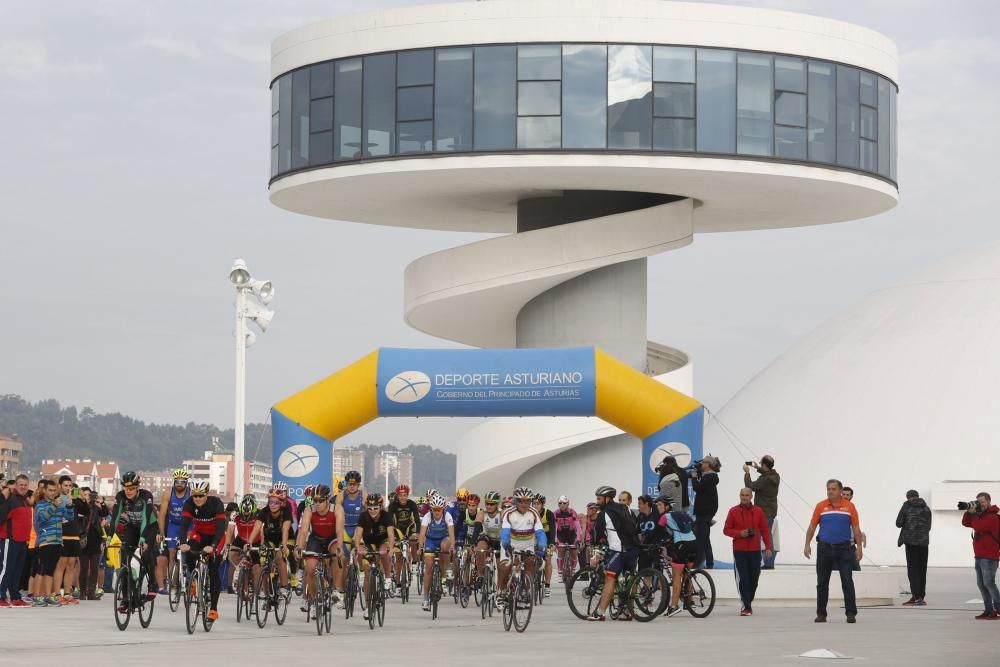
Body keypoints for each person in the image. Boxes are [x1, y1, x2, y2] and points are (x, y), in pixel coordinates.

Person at [804, 479, 863, 623]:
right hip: (825, 549)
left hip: (844, 549)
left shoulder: (849, 507)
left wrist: (859, 547)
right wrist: (807, 544)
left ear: (840, 491)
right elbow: (812, 526)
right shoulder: (821, 506)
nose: (830, 491)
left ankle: (850, 613)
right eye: (828, 489)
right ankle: (821, 614)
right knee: (822, 582)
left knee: (847, 581)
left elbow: (856, 528)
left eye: (833, 489)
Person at [110, 472, 159, 613]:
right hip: (132, 526)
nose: (128, 491)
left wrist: (143, 538)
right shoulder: (120, 496)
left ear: (138, 486)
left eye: (131, 488)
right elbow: (115, 517)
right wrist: (109, 537)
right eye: (126, 488)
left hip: (148, 526)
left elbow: (145, 518)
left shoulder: (146, 496)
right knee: (126, 561)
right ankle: (126, 600)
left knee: (146, 550)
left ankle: (152, 584)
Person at [587, 485, 638, 621]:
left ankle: (600, 613)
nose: (597, 501)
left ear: (607, 498)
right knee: (629, 579)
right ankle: (626, 611)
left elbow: (597, 534)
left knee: (610, 579)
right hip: (633, 549)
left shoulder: (604, 514)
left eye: (599, 499)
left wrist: (595, 549)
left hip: (619, 551)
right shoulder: (625, 508)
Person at [177, 480, 226, 621]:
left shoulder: (216, 503)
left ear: (206, 494)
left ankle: (214, 609)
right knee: (189, 551)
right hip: (199, 534)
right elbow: (184, 525)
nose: (197, 499)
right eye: (195, 496)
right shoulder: (189, 504)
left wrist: (214, 545)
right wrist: (182, 543)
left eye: (200, 496)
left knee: (212, 568)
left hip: (216, 537)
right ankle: (194, 580)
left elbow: (221, 527)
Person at [723, 488, 773, 616]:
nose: (744, 497)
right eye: (742, 495)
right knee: (744, 579)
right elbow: (726, 530)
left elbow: (765, 529)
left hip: (755, 550)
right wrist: (740, 533)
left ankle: (747, 602)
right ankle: (746, 606)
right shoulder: (733, 511)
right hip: (739, 551)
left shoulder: (758, 511)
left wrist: (768, 546)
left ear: (751, 496)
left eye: (747, 495)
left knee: (754, 580)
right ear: (739, 496)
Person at [497, 487, 545, 611]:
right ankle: (501, 593)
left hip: (527, 544)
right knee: (506, 567)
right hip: (510, 544)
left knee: (530, 566)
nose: (524, 504)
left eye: (527, 501)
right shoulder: (509, 513)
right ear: (515, 501)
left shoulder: (534, 513)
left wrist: (542, 546)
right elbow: (505, 531)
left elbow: (540, 532)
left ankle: (525, 591)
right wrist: (506, 544)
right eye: (521, 501)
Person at [295, 484, 341, 613]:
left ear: (327, 499)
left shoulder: (336, 509)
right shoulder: (309, 510)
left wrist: (340, 547)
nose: (318, 503)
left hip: (332, 538)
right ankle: (315, 600)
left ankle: (335, 589)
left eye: (321, 500)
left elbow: (339, 530)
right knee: (310, 568)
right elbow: (303, 531)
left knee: (337, 555)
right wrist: (299, 547)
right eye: (315, 500)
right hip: (316, 539)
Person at [354, 493, 395, 620]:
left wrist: (392, 548)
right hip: (369, 542)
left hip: (383, 541)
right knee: (367, 573)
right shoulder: (363, 516)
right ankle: (367, 607)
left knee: (383, 551)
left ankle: (388, 577)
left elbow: (391, 534)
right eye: (370, 508)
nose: (372, 511)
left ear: (381, 507)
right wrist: (358, 546)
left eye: (375, 508)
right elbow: (358, 535)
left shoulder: (386, 516)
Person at [33, 479, 72, 606]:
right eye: (50, 490)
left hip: (57, 541)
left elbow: (69, 517)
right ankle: (37, 596)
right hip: (45, 540)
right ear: (44, 490)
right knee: (42, 568)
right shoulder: (40, 504)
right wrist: (54, 505)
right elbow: (43, 518)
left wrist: (70, 505)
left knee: (50, 570)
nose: (52, 492)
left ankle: (48, 595)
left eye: (54, 490)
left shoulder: (60, 503)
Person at [961, 492, 1000, 619]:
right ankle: (988, 610)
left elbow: (980, 526)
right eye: (978, 502)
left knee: (989, 583)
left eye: (982, 502)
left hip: (990, 556)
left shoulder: (994, 516)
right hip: (979, 555)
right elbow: (966, 523)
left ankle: (998, 609)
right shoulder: (980, 515)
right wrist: (968, 511)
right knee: (981, 584)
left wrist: (973, 514)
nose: (980, 504)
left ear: (989, 501)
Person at [656, 495, 697, 617]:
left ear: (667, 506)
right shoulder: (683, 514)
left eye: (660, 505)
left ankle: (673, 606)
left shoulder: (664, 517)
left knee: (676, 576)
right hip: (694, 544)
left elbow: (656, 533)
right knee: (687, 573)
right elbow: (692, 526)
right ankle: (690, 601)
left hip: (681, 545)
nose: (657, 507)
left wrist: (648, 544)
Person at [247, 489, 292, 592]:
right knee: (263, 557)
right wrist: (249, 542)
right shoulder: (264, 511)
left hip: (284, 538)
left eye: (276, 502)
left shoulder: (286, 512)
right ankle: (265, 591)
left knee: (280, 557)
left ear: (281, 503)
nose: (273, 505)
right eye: (270, 502)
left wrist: (284, 545)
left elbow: (285, 530)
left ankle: (284, 587)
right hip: (270, 539)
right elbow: (257, 528)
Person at [418, 491, 455, 611]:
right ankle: (425, 599)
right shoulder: (427, 516)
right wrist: (420, 547)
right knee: (428, 568)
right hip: (431, 541)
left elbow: (451, 533)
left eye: (439, 510)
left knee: (446, 546)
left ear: (443, 509)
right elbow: (422, 534)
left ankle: (444, 577)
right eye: (434, 510)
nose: (437, 512)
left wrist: (452, 546)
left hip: (443, 539)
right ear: (431, 509)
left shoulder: (447, 516)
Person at [0, 474, 32, 607]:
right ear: (16, 486)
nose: (23, 487)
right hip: (9, 539)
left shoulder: (25, 501)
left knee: (17, 569)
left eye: (25, 485)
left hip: (22, 541)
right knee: (6, 568)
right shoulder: (10, 500)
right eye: (20, 484)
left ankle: (15, 596)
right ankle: (1, 595)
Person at [156, 468, 190, 594]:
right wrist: (162, 533)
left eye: (182, 481)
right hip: (173, 525)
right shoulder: (167, 493)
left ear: (186, 482)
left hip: (188, 526)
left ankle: (189, 577)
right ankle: (173, 582)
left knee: (188, 551)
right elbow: (162, 515)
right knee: (171, 553)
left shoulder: (191, 493)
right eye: (177, 481)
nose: (179, 484)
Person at [896, 489, 931, 606]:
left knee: (913, 570)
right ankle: (921, 597)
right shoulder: (926, 508)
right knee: (922, 570)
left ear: (908, 497)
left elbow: (898, 523)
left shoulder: (907, 506)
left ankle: (915, 597)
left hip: (911, 543)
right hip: (924, 543)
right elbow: (929, 526)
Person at [743, 455, 780, 568]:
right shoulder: (775, 476)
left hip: (763, 512)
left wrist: (747, 472)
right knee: (767, 536)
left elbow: (750, 486)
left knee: (760, 537)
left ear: (765, 465)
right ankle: (768, 563)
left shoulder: (764, 480)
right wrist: (757, 467)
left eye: (761, 464)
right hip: (771, 511)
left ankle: (766, 563)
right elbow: (766, 473)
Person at [333, 469, 363, 607]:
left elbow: (371, 512)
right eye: (349, 484)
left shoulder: (364, 495)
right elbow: (336, 513)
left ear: (358, 485)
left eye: (354, 484)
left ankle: (361, 572)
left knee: (361, 552)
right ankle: (342, 592)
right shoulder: (341, 496)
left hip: (358, 528)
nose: (352, 486)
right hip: (345, 529)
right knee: (343, 560)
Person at [691, 456, 721, 569]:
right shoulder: (709, 476)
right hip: (706, 511)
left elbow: (697, 488)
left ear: (708, 464)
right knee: (705, 537)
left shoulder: (709, 477)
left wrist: (694, 478)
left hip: (704, 511)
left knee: (700, 538)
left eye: (703, 462)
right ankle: (709, 562)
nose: (701, 464)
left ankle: (697, 563)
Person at [78, 487, 107, 601]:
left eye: (89, 495)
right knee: (84, 568)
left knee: (94, 568)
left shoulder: (96, 507)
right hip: (84, 541)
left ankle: (91, 593)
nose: (88, 497)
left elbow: (105, 513)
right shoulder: (80, 507)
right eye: (85, 495)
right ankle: (82, 592)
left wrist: (102, 502)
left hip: (95, 540)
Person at [472, 491, 503, 583]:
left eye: (492, 504)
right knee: (479, 548)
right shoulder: (482, 513)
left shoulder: (502, 513)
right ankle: (480, 575)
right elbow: (476, 530)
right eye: (487, 503)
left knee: (500, 566)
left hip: (499, 540)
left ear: (497, 504)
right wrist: (473, 543)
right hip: (487, 538)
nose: (488, 506)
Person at [553, 495, 582, 582]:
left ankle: (573, 571)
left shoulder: (572, 512)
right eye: (560, 503)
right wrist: (555, 540)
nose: (562, 505)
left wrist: (578, 538)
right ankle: (560, 573)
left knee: (574, 553)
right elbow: (554, 528)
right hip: (560, 534)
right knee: (560, 552)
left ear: (568, 503)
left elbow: (578, 527)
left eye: (564, 503)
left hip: (571, 535)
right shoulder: (556, 513)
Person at [533, 493, 556, 597]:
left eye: (538, 504)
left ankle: (547, 585)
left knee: (548, 558)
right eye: (534, 503)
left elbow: (553, 530)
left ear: (542, 505)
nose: (535, 506)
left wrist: (552, 543)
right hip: (535, 538)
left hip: (547, 538)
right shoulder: (531, 514)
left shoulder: (549, 513)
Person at [841, 486, 866, 571]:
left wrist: (860, 535)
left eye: (847, 495)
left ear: (851, 496)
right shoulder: (835, 507)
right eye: (843, 494)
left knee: (856, 570)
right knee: (835, 571)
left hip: (850, 545)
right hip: (836, 546)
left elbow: (855, 526)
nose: (845, 496)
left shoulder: (852, 508)